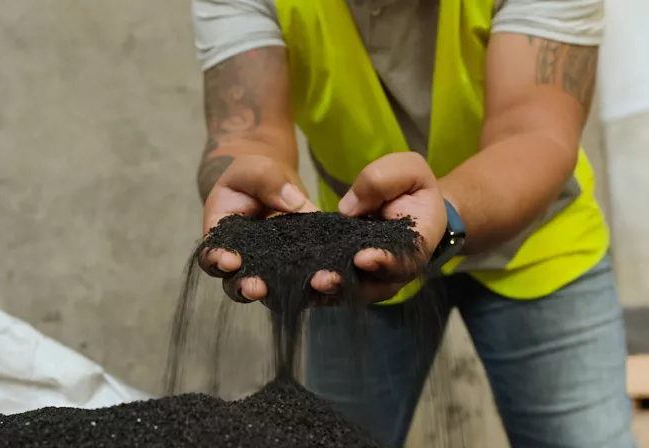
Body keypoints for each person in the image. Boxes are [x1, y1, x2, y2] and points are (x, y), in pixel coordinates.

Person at [191, 0, 637, 446]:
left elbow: (533, 129)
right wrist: (247, 185)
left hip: (539, 243)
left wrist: (443, 214)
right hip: (356, 258)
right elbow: (246, 130)